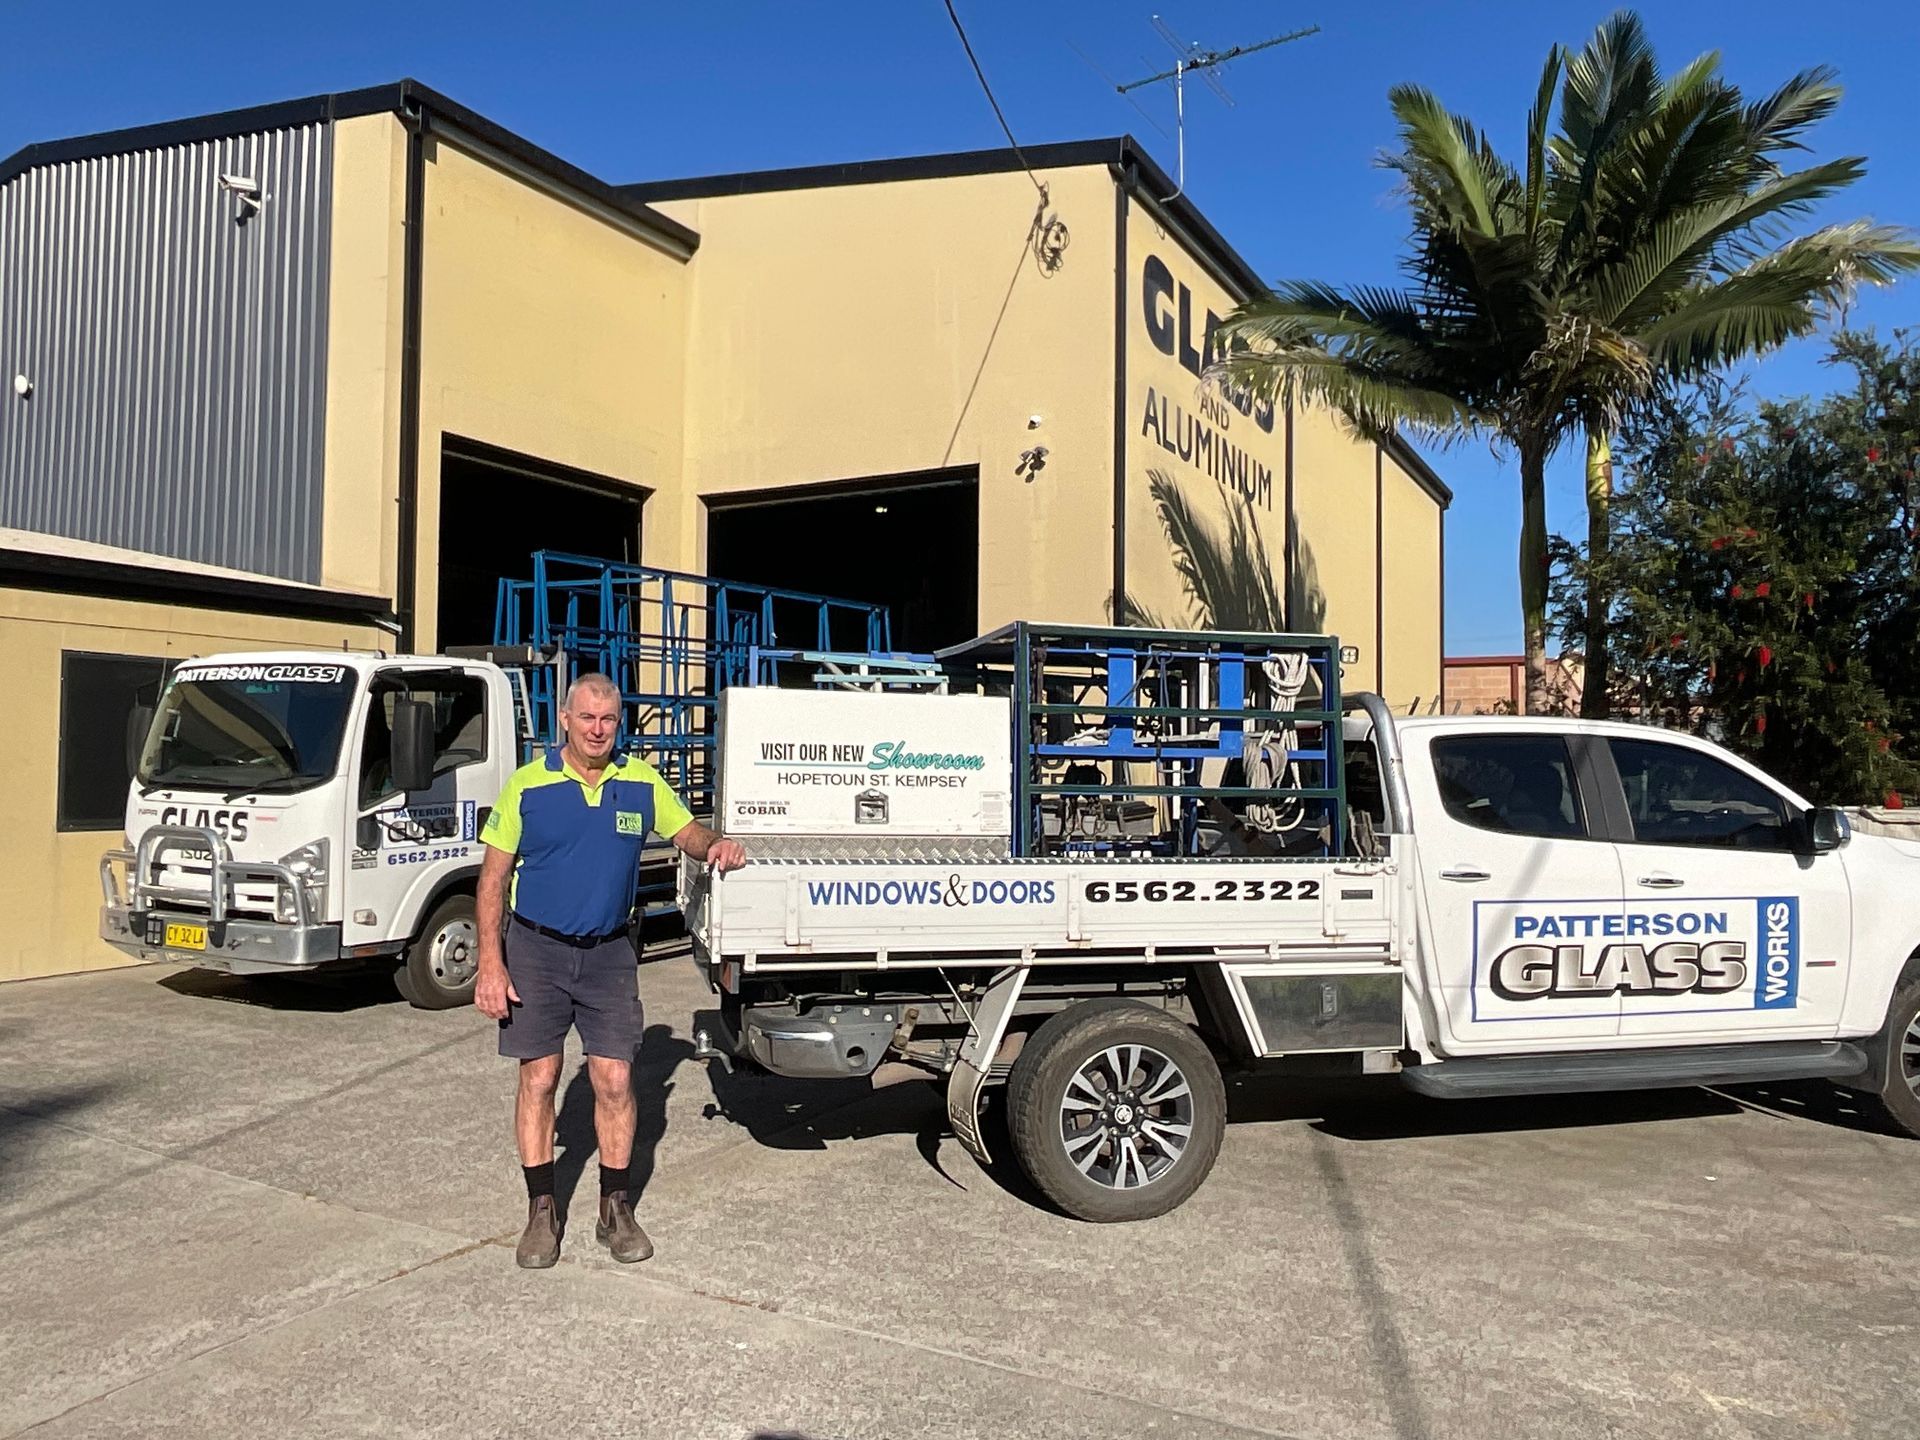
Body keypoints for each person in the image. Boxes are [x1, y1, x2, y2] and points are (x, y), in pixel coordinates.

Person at [473, 673, 745, 1269]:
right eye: (587, 718)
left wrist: (716, 844)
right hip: (536, 951)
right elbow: (492, 879)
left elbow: (687, 831)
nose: (598, 730)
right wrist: (490, 963)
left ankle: (613, 1209)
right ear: (565, 720)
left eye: (609, 720)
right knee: (540, 1079)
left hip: (610, 953)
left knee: (616, 1081)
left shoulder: (640, 782)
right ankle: (542, 1209)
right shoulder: (527, 787)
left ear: (619, 724)